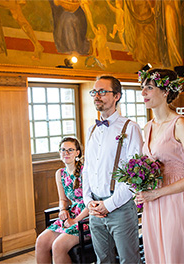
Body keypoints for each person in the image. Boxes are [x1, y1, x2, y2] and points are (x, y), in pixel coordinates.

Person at [135, 69, 184, 263]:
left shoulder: (180, 123)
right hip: (152, 202)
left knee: (175, 253)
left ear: (165, 92)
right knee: (156, 252)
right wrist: (140, 188)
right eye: (142, 88)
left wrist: (158, 193)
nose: (143, 93)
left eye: (149, 88)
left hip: (175, 200)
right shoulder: (148, 126)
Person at [82, 75, 143, 264]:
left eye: (102, 91)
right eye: (94, 92)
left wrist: (109, 205)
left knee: (129, 260)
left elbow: (135, 176)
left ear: (117, 96)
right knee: (103, 260)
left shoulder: (130, 128)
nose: (96, 96)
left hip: (121, 208)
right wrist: (88, 201)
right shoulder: (92, 129)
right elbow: (87, 169)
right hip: (95, 210)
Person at [35, 137, 88, 264]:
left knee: (58, 246)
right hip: (72, 213)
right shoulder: (60, 173)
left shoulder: (84, 172)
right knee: (41, 242)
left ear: (77, 153)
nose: (66, 153)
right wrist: (63, 209)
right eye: (63, 150)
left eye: (70, 150)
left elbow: (91, 203)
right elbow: (63, 199)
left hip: (86, 216)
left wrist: (75, 220)